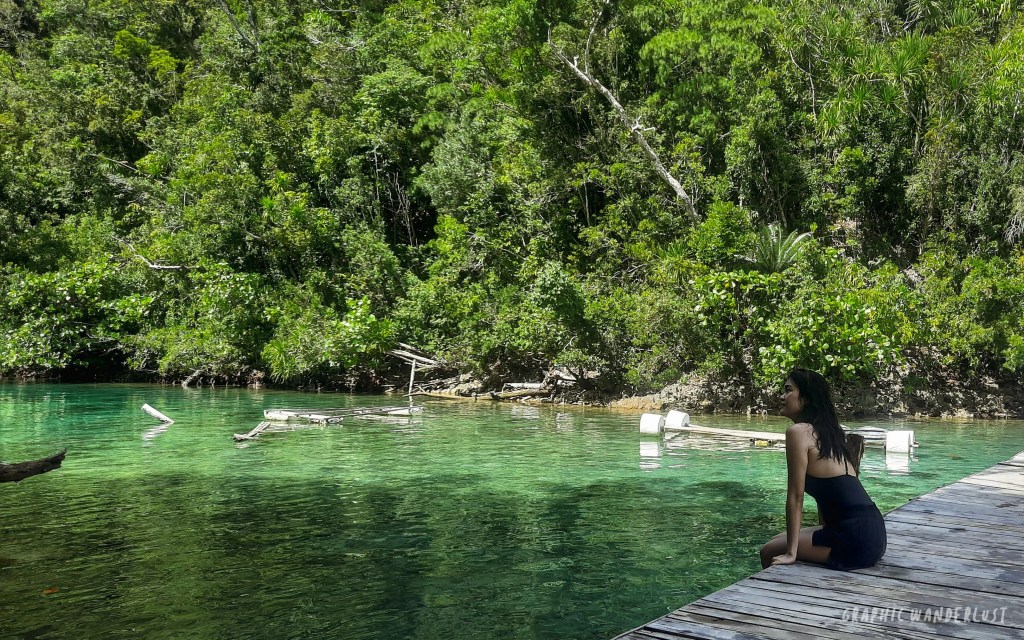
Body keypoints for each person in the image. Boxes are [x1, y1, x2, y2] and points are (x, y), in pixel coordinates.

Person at [759, 368, 886, 570]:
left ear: (807, 398)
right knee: (779, 538)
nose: (781, 397)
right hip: (873, 532)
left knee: (769, 550)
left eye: (788, 390)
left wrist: (791, 553)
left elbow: (795, 496)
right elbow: (826, 495)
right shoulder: (830, 434)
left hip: (854, 537)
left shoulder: (798, 432)